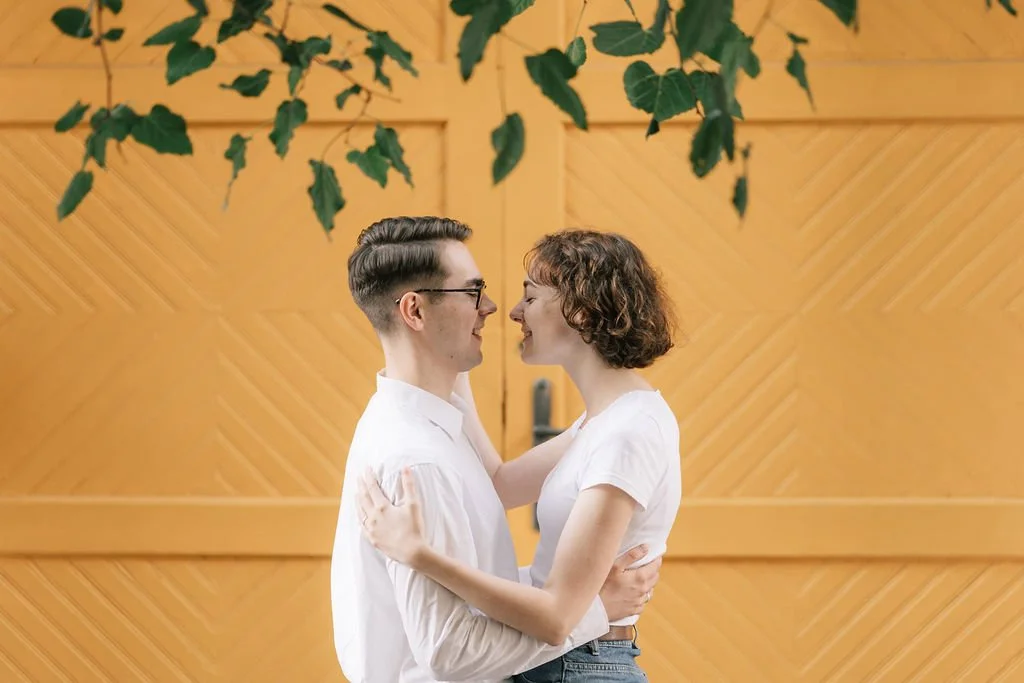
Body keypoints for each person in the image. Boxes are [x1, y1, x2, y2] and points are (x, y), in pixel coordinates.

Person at [331, 216, 661, 683]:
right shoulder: (418, 459)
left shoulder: (432, 426)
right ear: (415, 311)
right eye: (472, 291)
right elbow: (450, 650)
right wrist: (592, 611)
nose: (493, 308)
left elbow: (487, 533)